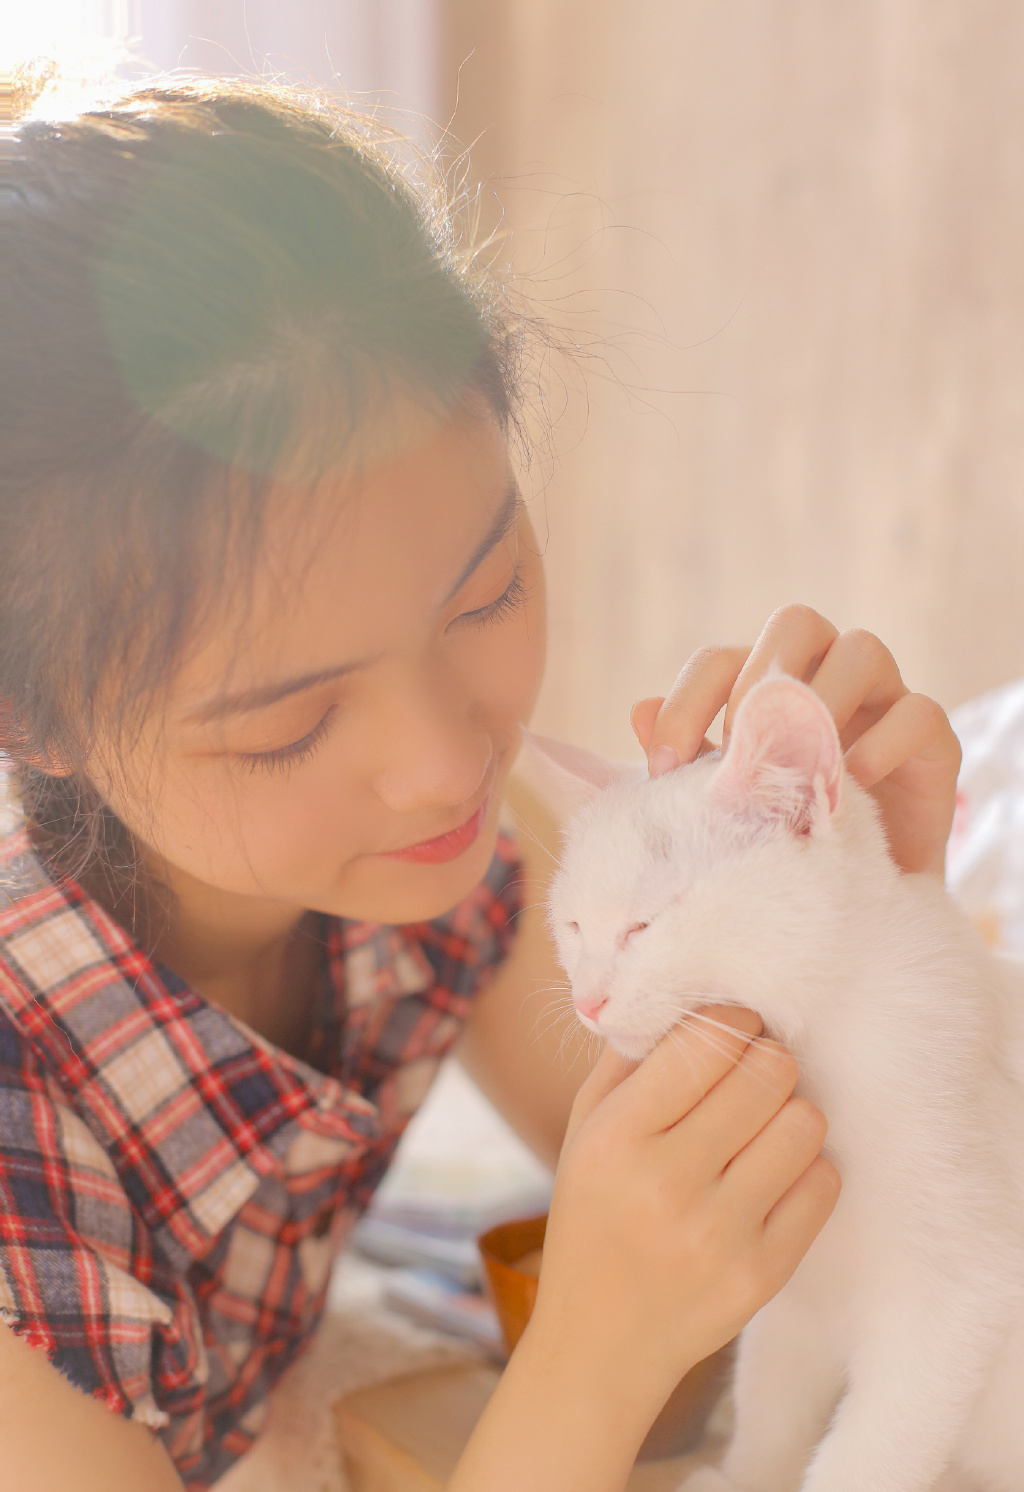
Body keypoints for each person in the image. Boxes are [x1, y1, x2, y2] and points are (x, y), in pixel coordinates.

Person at [0, 73, 961, 1492]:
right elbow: (618, 1358)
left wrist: (863, 912)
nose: (451, 762)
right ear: (32, 720)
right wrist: (584, 1359)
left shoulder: (452, 863)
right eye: (289, 724)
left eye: (486, 588)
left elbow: (717, 1288)